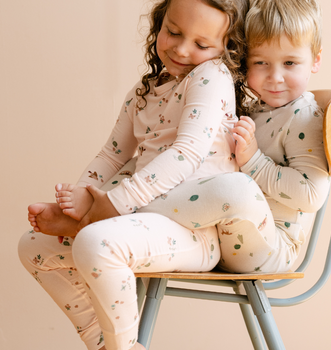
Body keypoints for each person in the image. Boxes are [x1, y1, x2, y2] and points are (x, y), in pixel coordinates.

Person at [19, 1, 251, 349]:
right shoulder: (145, 92)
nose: (182, 48)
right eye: (173, 31)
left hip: (194, 231)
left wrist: (113, 204)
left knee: (96, 243)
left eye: (202, 45)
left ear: (226, 50)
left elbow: (186, 153)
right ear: (160, 22)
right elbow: (111, 155)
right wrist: (81, 200)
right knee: (33, 245)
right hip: (140, 220)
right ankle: (108, 344)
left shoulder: (211, 76)